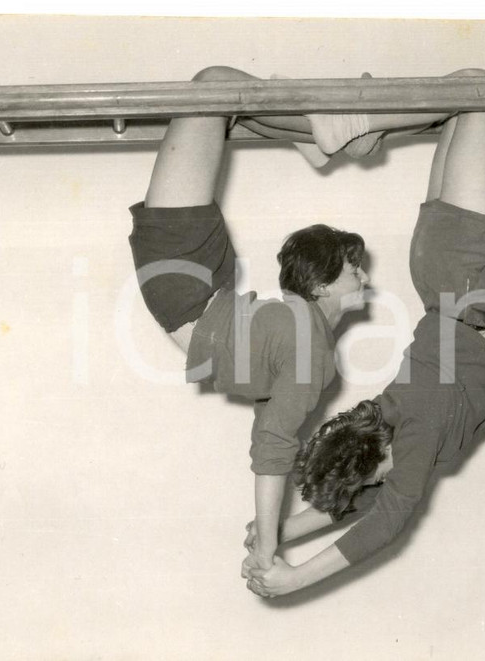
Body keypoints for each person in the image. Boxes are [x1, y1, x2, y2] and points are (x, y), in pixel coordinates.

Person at [128, 65, 452, 572]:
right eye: (356, 270)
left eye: (355, 269)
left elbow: (272, 442)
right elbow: (270, 420)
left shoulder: (309, 343)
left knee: (214, 83)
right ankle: (324, 135)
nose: (365, 279)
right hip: (205, 282)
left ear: (321, 285)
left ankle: (329, 132)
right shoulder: (310, 344)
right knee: (226, 95)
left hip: (182, 275)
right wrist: (271, 533)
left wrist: (267, 544)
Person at [244, 76, 485, 597]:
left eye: (379, 475)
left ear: (383, 455)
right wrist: (276, 532)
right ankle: (346, 133)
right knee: (461, 97)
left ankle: (344, 128)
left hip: (463, 273)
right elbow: (366, 498)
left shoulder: (417, 427)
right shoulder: (395, 421)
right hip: (441, 273)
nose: (388, 485)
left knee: (479, 92)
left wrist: (292, 578)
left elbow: (387, 519)